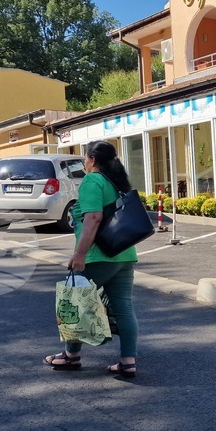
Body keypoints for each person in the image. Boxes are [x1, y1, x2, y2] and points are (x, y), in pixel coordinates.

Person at [43, 141, 139, 377]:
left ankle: (71, 356)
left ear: (92, 160)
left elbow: (93, 218)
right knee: (124, 308)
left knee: (73, 302)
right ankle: (128, 361)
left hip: (98, 255)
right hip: (124, 254)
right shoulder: (117, 181)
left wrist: (80, 254)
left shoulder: (92, 180)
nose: (84, 163)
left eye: (85, 159)